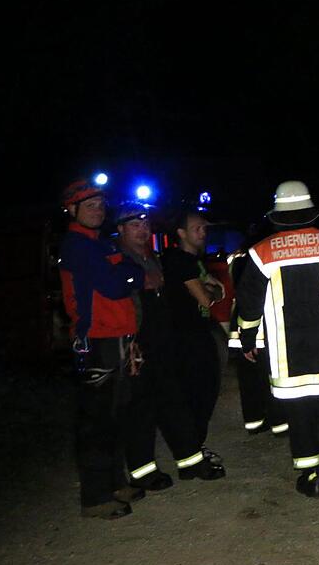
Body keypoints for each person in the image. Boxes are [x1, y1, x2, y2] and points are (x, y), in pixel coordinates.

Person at [236, 181, 319, 497]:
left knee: (301, 415)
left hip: (286, 355)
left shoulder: (260, 253)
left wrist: (247, 340)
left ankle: (312, 478)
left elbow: (249, 304)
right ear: (311, 213)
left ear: (277, 216)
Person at [114, 202, 225, 489]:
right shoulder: (116, 259)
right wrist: (130, 344)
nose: (142, 230)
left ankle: (190, 462)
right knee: (141, 410)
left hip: (163, 342)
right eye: (134, 225)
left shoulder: (153, 257)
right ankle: (143, 472)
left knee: (174, 402)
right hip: (136, 345)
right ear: (120, 229)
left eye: (145, 224)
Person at [58, 179, 144, 519]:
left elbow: (129, 270)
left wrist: (128, 273)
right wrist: (130, 275)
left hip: (118, 337)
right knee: (96, 420)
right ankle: (95, 498)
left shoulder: (100, 244)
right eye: (89, 205)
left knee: (115, 416)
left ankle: (114, 483)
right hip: (95, 341)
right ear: (73, 209)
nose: (98, 210)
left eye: (100, 204)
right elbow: (114, 283)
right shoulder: (78, 245)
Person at [162, 208, 225, 474]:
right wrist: (209, 290)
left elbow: (219, 290)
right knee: (195, 395)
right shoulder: (179, 260)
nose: (203, 232)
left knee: (206, 392)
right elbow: (208, 297)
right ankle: (190, 456)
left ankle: (194, 449)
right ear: (181, 233)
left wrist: (211, 290)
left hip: (199, 332)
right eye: (198, 228)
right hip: (184, 339)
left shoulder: (195, 261)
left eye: (205, 228)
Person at [226, 243, 289, 438]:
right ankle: (280, 423)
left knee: (248, 380)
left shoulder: (237, 259)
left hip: (241, 327)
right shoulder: (262, 261)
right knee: (270, 377)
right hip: (259, 330)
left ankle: (254, 422)